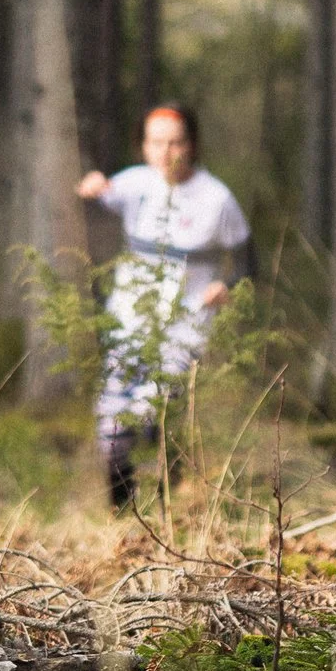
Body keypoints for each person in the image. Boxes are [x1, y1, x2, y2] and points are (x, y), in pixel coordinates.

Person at [75, 105, 254, 511]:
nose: (165, 151)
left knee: (150, 413)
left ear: (191, 146)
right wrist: (91, 186)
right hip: (127, 322)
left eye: (174, 142)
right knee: (111, 425)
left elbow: (247, 262)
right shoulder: (135, 183)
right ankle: (122, 515)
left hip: (184, 328)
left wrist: (225, 286)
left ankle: (171, 502)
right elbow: (95, 207)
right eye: (156, 142)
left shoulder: (217, 198)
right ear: (144, 145)